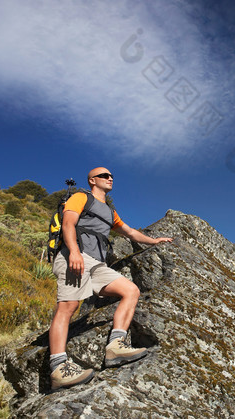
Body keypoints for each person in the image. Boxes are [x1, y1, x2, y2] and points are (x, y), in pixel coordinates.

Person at [48, 167, 173, 391]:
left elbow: (131, 233)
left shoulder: (109, 211)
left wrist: (154, 241)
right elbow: (68, 224)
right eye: (104, 176)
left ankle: (116, 346)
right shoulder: (80, 197)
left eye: (111, 175)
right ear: (92, 180)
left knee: (131, 290)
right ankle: (58, 368)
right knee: (69, 306)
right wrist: (74, 252)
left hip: (98, 265)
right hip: (75, 256)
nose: (110, 178)